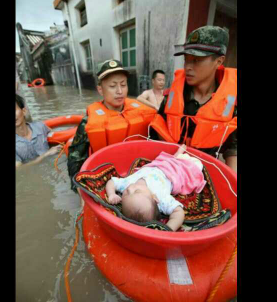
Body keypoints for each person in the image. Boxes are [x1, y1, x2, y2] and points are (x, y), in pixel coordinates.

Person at [149, 26, 237, 173]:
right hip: (167, 169)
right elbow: (157, 135)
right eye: (186, 59)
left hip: (203, 175)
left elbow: (233, 154)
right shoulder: (171, 98)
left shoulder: (231, 106)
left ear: (219, 61)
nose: (188, 67)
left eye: (196, 60)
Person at [67, 59, 157, 190]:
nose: (120, 91)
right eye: (113, 86)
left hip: (137, 174)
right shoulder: (88, 122)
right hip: (104, 179)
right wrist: (79, 188)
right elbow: (75, 158)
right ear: (100, 90)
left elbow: (154, 146)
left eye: (123, 84)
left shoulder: (142, 114)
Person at [105, 145, 206, 231]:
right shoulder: (161, 197)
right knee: (196, 165)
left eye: (126, 192)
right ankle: (179, 156)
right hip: (172, 173)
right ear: (154, 198)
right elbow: (178, 212)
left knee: (170, 159)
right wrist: (168, 229)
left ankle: (178, 154)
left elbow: (111, 182)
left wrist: (112, 194)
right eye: (136, 191)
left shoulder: (126, 184)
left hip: (156, 165)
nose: (130, 188)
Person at [16, 94, 62, 168]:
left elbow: (56, 138)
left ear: (24, 111)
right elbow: (20, 169)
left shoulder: (40, 127)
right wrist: (46, 154)